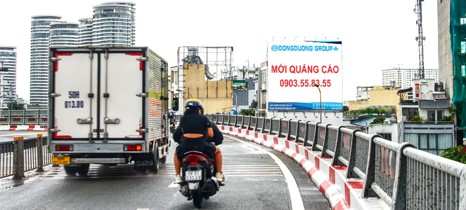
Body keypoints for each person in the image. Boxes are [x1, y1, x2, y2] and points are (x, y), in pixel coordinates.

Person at [173, 98, 225, 184]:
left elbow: (177, 133)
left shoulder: (183, 119)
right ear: (199, 109)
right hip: (201, 145)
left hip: (186, 145)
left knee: (176, 153)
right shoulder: (204, 118)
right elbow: (211, 134)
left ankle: (178, 176)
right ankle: (218, 174)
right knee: (218, 152)